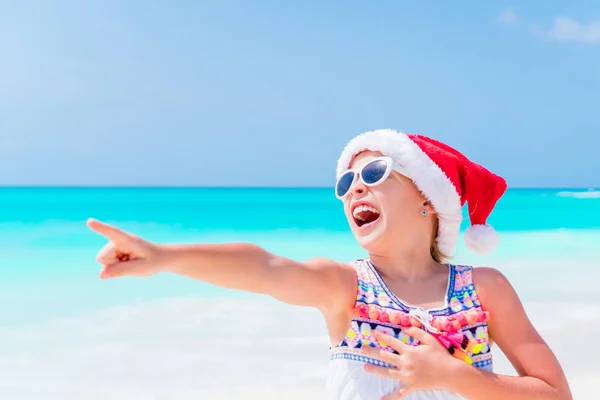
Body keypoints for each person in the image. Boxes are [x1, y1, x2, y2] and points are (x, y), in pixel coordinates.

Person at [88, 129, 572, 400]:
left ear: (430, 197)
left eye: (375, 173)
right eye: (345, 183)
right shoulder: (348, 288)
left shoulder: (483, 289)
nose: (355, 188)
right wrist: (166, 257)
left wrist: (456, 377)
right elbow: (267, 268)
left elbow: (556, 396)